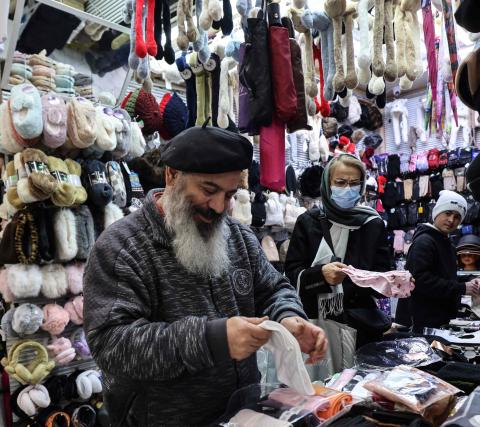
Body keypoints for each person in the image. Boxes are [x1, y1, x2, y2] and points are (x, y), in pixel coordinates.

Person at [83, 123, 327, 426]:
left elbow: (273, 289)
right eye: (208, 191)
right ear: (172, 176)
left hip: (245, 415)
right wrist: (211, 339)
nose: (218, 207)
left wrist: (288, 316)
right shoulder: (122, 247)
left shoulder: (238, 236)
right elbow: (113, 346)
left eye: (229, 194)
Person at [285, 154, 392, 348]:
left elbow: (382, 276)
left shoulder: (372, 224)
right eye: (340, 182)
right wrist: (320, 275)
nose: (348, 189)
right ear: (327, 183)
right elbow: (291, 275)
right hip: (315, 325)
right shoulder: (309, 222)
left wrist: (391, 282)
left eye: (354, 183)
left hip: (361, 328)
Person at [403, 190, 480, 332]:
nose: (451, 220)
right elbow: (420, 280)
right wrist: (462, 288)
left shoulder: (447, 244)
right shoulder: (424, 242)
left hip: (440, 320)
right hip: (423, 322)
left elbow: (445, 276)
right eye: (447, 213)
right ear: (437, 212)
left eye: (457, 217)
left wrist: (471, 279)